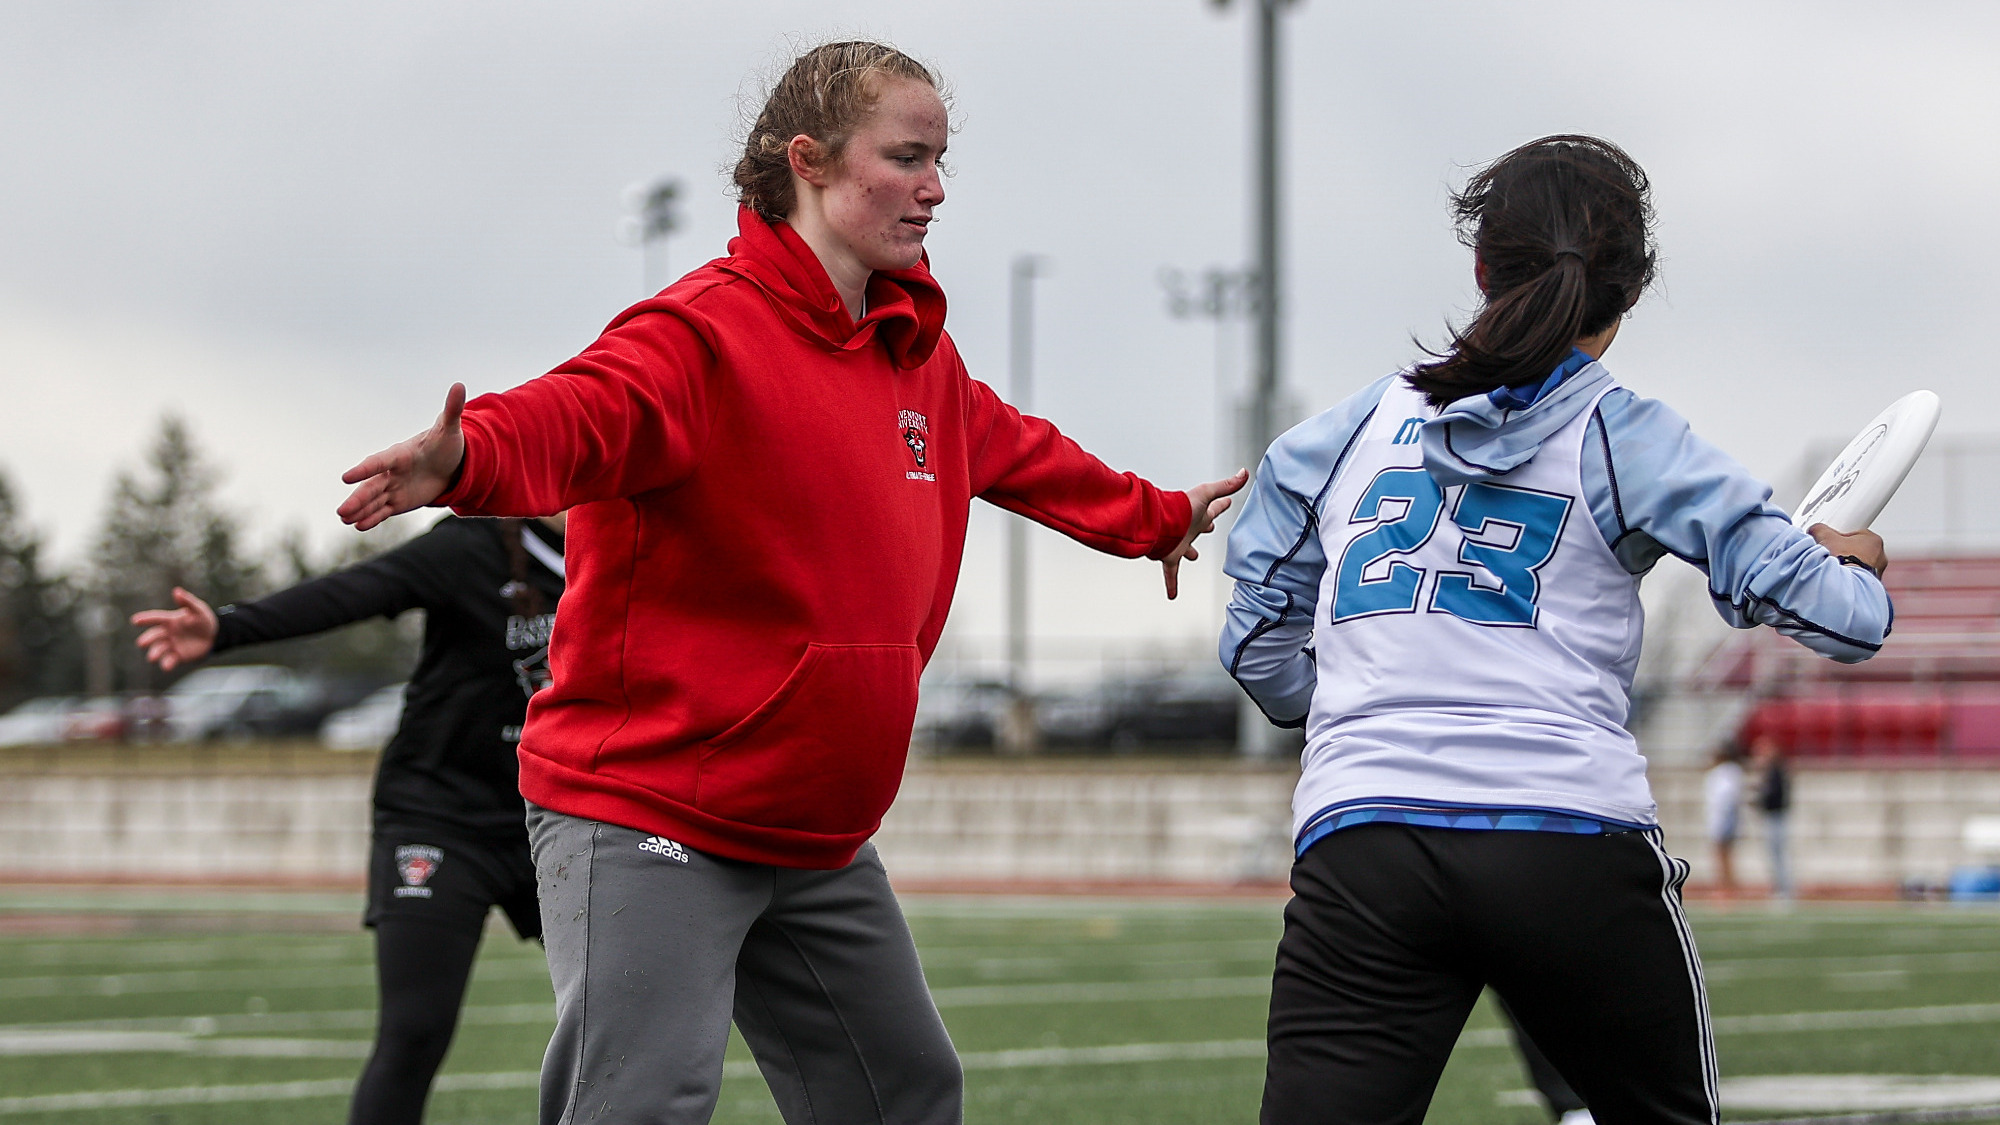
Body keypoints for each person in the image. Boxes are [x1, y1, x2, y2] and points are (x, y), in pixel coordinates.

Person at [335, 40, 1242, 1125]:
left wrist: (1157, 519)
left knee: (903, 1095)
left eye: (940, 160)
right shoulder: (701, 334)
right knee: (640, 1106)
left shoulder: (916, 357)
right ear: (807, 162)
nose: (934, 189)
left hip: (811, 835)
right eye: (905, 158)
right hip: (652, 811)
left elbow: (1024, 453)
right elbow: (582, 409)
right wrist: (468, 456)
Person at [1220, 134, 1892, 1124]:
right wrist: (1854, 566)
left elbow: (1255, 648)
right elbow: (1842, 621)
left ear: (1480, 267)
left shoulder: (1339, 431)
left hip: (1363, 844)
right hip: (1567, 838)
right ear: (1628, 294)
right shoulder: (1628, 435)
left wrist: (1370, 705)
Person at [130, 514, 566, 1125]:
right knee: (416, 1030)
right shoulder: (469, 545)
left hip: (558, 819)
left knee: (630, 1014)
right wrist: (227, 627)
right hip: (440, 818)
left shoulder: (624, 547)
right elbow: (355, 590)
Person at [1751, 734, 1794, 898]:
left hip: (1776, 816)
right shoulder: (1771, 772)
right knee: (1774, 854)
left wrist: (1761, 799)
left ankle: (1784, 889)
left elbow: (1775, 795)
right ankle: (1780, 887)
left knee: (1778, 854)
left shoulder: (1776, 771)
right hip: (1773, 816)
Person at [1705, 742, 1746, 896]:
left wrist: (1722, 821)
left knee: (1723, 853)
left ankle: (1727, 886)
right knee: (1722, 853)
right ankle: (1725, 885)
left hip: (1723, 817)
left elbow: (1726, 798)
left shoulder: (1727, 772)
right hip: (1721, 816)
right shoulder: (1729, 772)